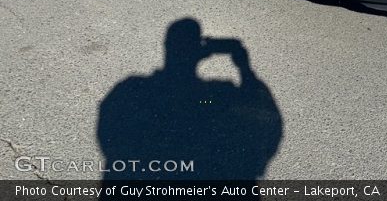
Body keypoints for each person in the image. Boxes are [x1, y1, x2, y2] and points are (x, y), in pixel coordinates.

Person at [97, 18, 283, 182]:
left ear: (167, 47)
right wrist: (245, 68)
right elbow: (261, 113)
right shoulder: (212, 97)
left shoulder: (133, 89)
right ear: (199, 51)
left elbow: (108, 133)